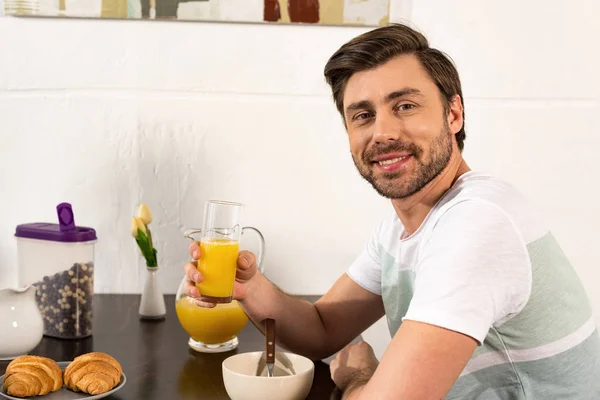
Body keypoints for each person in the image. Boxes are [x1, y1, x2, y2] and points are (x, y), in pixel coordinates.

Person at [183, 23, 600, 399]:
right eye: (363, 115)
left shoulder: (478, 224)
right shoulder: (404, 225)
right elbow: (324, 329)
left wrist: (358, 376)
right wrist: (250, 288)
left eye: (404, 106)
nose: (382, 132)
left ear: (453, 114)